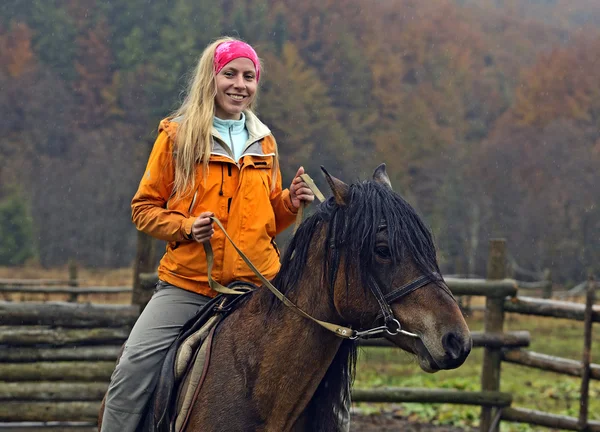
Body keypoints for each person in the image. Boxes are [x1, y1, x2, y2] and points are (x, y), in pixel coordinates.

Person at [100, 37, 317, 432]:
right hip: (188, 286)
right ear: (211, 78)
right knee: (132, 371)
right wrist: (186, 227)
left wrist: (289, 202)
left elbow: (264, 219)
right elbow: (143, 210)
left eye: (249, 77)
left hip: (259, 287)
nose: (240, 84)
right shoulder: (176, 137)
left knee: (319, 366)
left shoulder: (264, 142)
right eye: (230, 74)